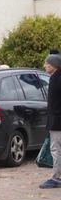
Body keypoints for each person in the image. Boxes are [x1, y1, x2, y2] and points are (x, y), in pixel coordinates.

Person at [40, 54, 61, 188]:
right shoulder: (56, 77)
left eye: (47, 64)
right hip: (57, 119)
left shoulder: (55, 79)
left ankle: (56, 178)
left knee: (56, 149)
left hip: (57, 120)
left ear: (54, 66)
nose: (44, 66)